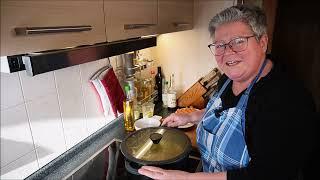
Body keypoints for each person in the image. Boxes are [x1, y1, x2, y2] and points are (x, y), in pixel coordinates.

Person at [138, 4, 317, 180]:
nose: (228, 52)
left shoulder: (289, 102)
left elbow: (268, 174)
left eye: (239, 41)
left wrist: (185, 178)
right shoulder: (227, 79)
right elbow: (225, 114)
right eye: (220, 45)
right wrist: (192, 116)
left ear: (262, 42)